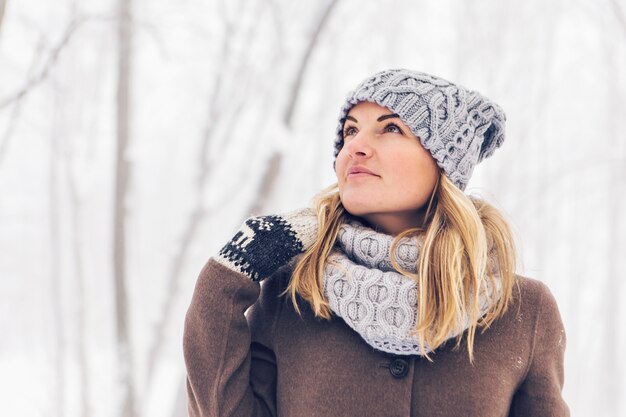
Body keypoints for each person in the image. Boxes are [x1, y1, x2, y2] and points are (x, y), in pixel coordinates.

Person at [183, 69, 570, 416]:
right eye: (350, 130)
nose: (355, 146)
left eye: (391, 128)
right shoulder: (296, 293)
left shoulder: (523, 312)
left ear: (445, 165)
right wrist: (230, 273)